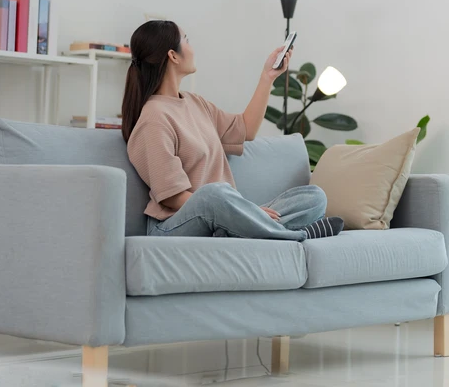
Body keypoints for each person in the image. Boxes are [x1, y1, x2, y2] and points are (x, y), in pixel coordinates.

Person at [122, 20, 343, 241]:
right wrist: (239, 210)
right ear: (173, 55)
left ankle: (237, 233)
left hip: (222, 215)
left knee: (314, 197)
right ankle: (294, 235)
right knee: (213, 193)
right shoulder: (154, 117)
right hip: (174, 225)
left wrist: (268, 77)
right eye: (186, 40)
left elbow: (245, 129)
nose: (192, 47)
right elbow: (172, 197)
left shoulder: (196, 103)